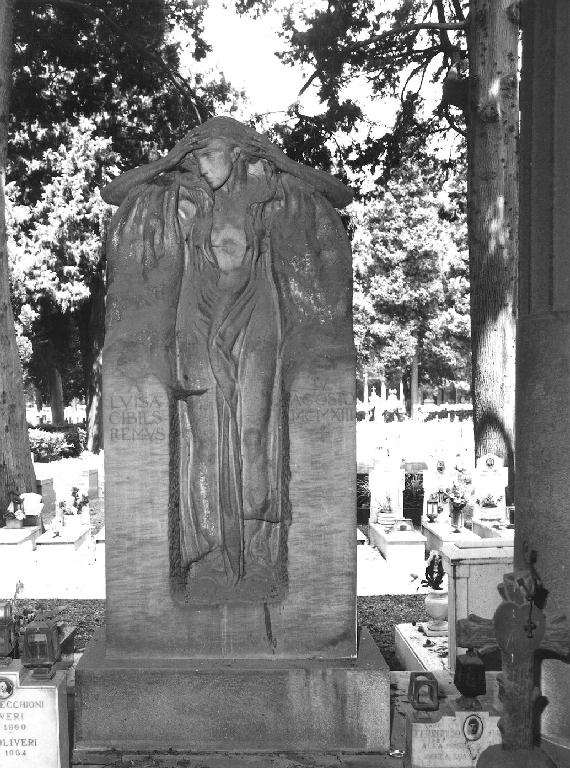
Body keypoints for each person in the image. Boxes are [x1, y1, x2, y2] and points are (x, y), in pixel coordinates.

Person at [102, 116, 353, 601]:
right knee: (205, 441)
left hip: (258, 323)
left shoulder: (268, 188)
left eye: (205, 150)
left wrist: (279, 159)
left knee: (255, 435)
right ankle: (209, 558)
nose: (198, 159)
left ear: (237, 152)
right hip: (195, 325)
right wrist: (169, 159)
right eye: (191, 151)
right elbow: (116, 194)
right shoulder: (179, 194)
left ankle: (259, 557)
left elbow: (338, 194)